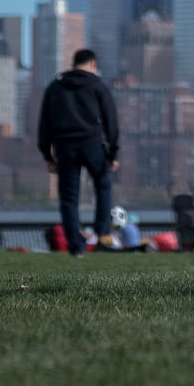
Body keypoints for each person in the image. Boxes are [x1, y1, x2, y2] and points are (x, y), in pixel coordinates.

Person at [36, 47, 120, 258]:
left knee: (68, 198)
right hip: (92, 143)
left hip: (64, 147)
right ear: (93, 64)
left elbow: (44, 124)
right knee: (103, 186)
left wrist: (47, 154)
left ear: (74, 63)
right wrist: (113, 153)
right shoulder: (97, 85)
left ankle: (76, 246)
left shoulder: (55, 87)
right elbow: (111, 120)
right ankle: (102, 234)